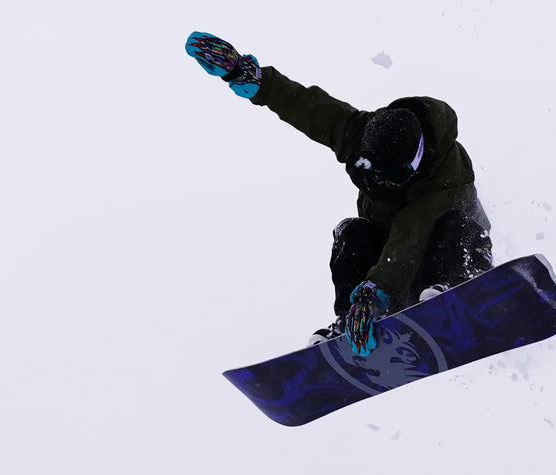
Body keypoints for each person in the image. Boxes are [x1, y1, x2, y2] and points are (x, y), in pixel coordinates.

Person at [185, 32, 494, 356]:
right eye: (381, 177)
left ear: (415, 163)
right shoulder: (361, 134)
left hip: (441, 259)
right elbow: (307, 108)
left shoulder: (446, 176)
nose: (387, 185)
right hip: (387, 281)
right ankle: (352, 320)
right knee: (352, 233)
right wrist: (247, 76)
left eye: (397, 177)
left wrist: (377, 290)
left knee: (456, 226)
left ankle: (456, 289)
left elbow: (412, 234)